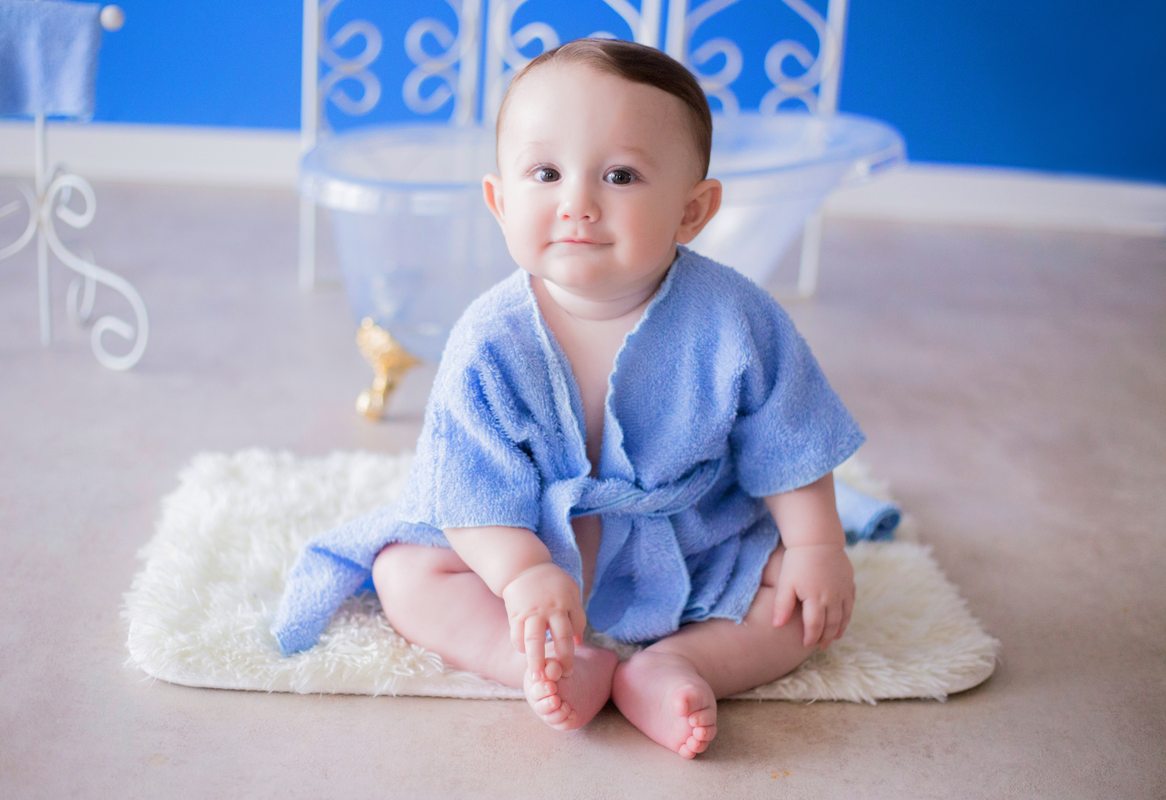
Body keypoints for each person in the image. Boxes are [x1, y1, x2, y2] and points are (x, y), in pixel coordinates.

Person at [277, 38, 863, 759]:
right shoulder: (490, 339)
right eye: (546, 173)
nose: (577, 203)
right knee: (406, 572)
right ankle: (542, 660)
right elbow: (469, 489)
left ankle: (681, 664)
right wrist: (521, 576)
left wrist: (815, 544)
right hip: (528, 542)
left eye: (620, 175)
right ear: (499, 201)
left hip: (692, 534)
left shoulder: (736, 320)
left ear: (692, 211)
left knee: (799, 601)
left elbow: (791, 438)